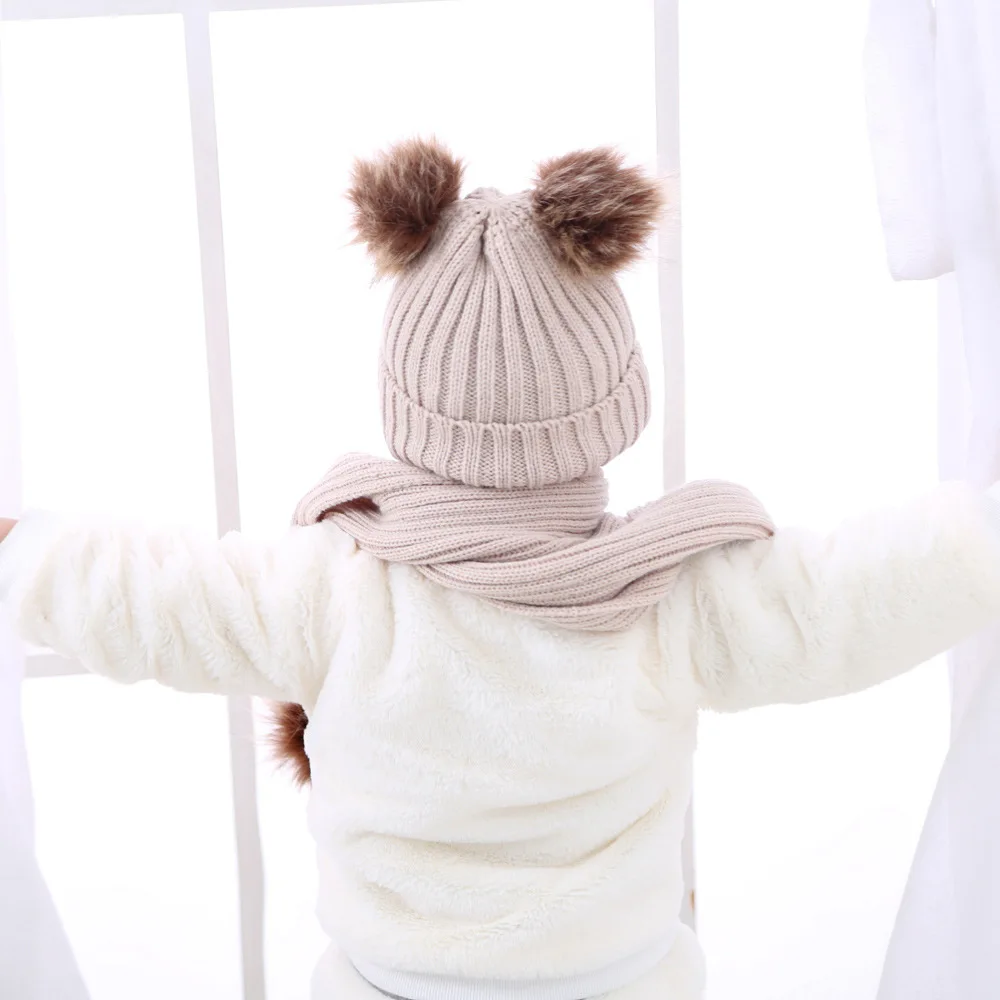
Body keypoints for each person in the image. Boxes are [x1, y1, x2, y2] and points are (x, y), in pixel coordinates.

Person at [2, 137, 1000, 1000]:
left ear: (406, 396)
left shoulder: (334, 586)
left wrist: (27, 553)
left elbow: (158, 597)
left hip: (389, 979)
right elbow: (842, 599)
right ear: (609, 399)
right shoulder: (663, 595)